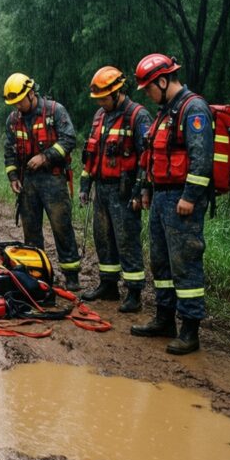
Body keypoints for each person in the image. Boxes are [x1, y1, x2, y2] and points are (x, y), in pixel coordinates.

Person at [131, 53, 214, 355]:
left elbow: (201, 158)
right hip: (162, 196)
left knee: (185, 263)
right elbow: (152, 155)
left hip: (182, 198)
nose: (148, 95)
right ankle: (164, 319)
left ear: (163, 81)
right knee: (162, 262)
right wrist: (145, 189)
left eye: (149, 88)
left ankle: (190, 330)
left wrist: (190, 197)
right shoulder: (166, 111)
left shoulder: (194, 109)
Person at [79, 66, 152, 312]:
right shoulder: (100, 116)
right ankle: (108, 285)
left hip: (125, 190)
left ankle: (134, 293)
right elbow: (91, 154)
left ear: (117, 92)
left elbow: (147, 158)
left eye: (103, 97)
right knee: (103, 238)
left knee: (127, 240)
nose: (100, 102)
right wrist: (85, 185)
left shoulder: (138, 116)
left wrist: (140, 191)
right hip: (101, 188)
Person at [2, 73, 81, 291]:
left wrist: (45, 157)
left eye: (20, 100)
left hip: (53, 179)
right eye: (14, 103)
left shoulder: (55, 111)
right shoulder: (13, 120)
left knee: (61, 227)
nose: (17, 106)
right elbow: (9, 151)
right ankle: (38, 274)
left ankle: (71, 275)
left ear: (31, 93)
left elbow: (69, 139)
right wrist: (13, 177)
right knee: (31, 231)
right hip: (27, 183)